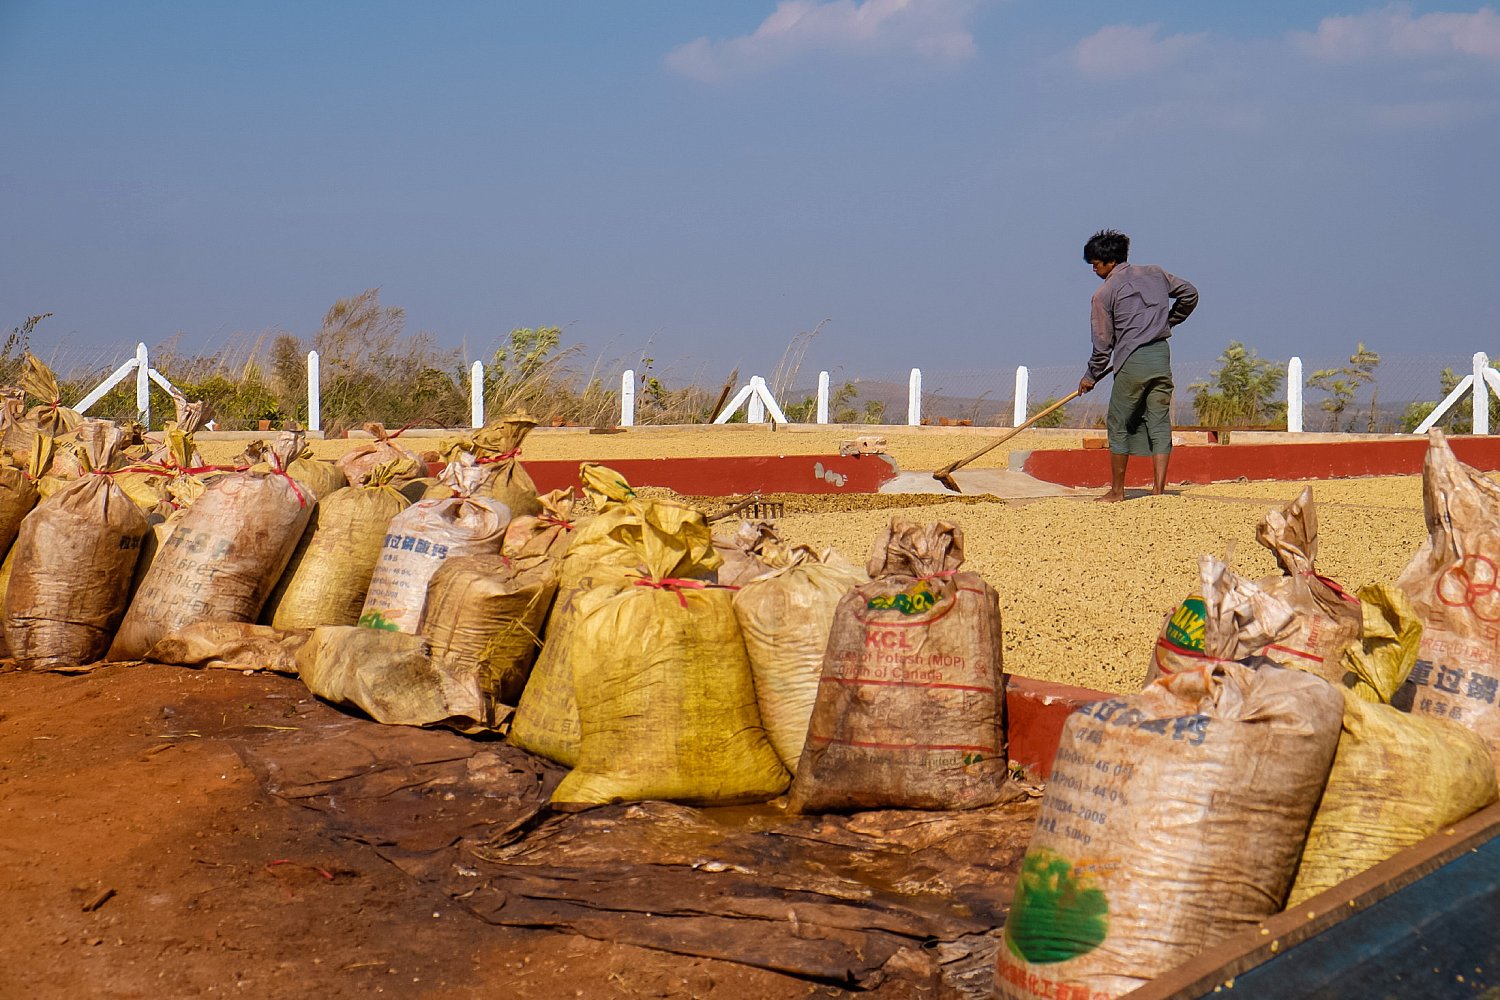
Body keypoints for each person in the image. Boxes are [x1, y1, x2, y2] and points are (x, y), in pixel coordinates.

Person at [1075, 229, 1198, 502]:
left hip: (1132, 360)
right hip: (1160, 355)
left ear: (1109, 261)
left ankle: (1117, 491)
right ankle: (1158, 490)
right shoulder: (1154, 273)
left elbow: (1103, 343)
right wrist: (1168, 321)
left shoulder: (1103, 294)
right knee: (1158, 419)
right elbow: (1190, 293)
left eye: (1095, 264)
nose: (1094, 270)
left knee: (1118, 420)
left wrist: (1090, 376)